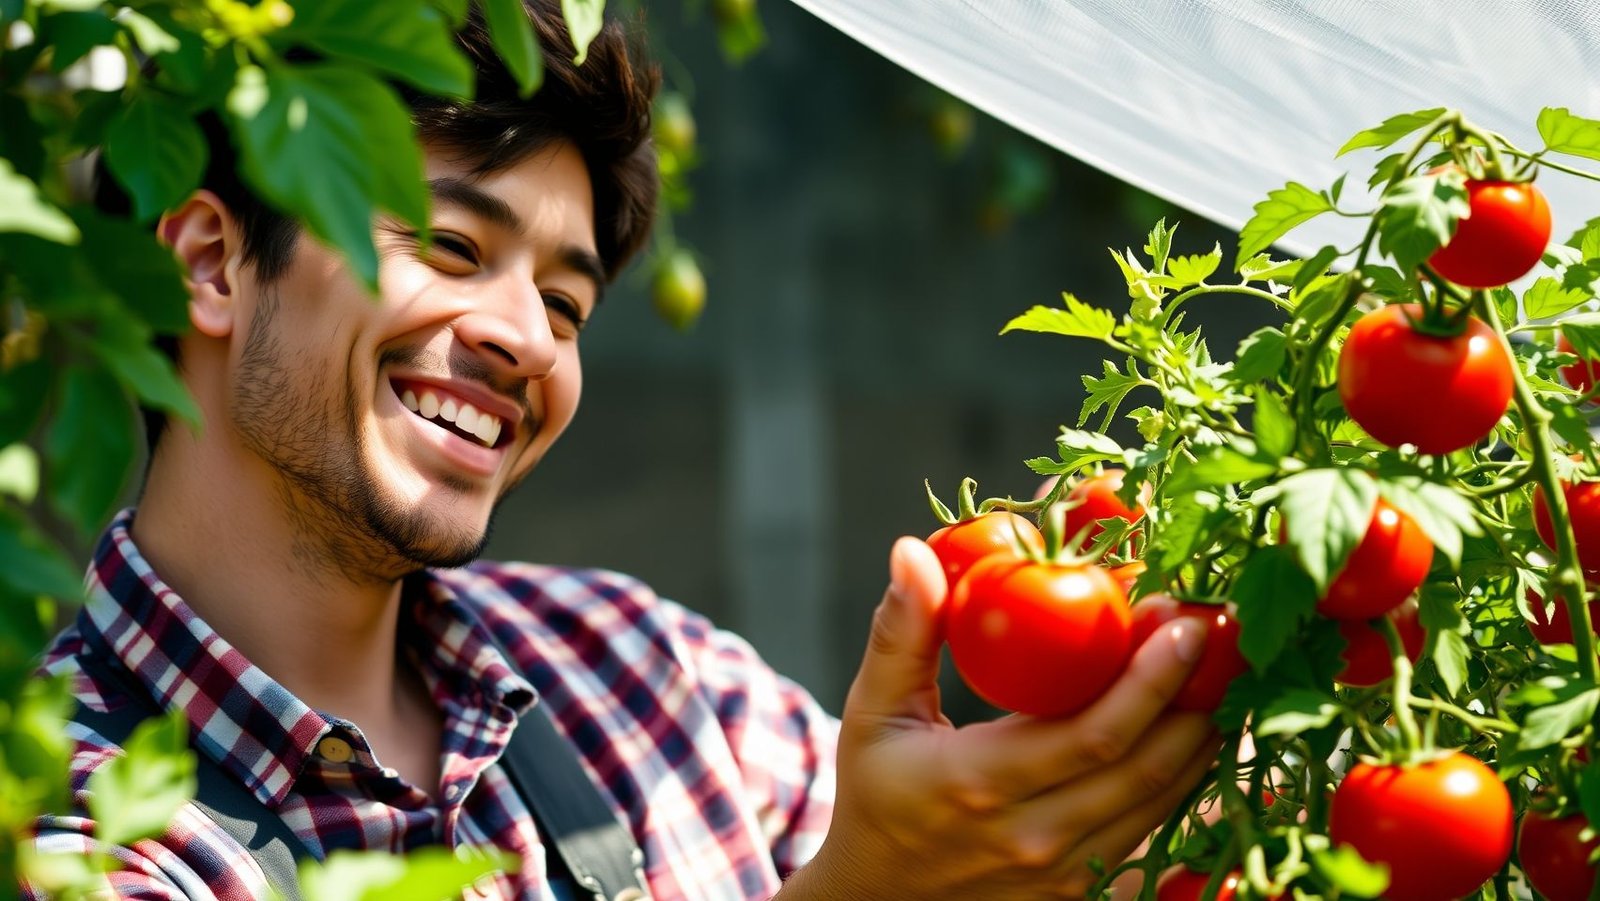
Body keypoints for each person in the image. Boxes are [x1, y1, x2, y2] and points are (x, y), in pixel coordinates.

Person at [22, 1, 1222, 898]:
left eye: (565, 304)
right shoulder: (69, 829)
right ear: (212, 264)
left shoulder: (638, 668)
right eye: (450, 247)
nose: (524, 342)